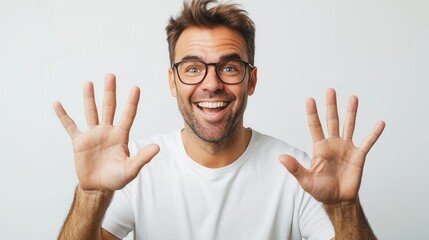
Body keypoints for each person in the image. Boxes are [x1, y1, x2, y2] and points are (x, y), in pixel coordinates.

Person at [54, 0, 385, 239]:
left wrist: (344, 208)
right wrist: (91, 195)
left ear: (250, 80)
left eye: (229, 67)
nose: (211, 84)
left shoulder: (299, 175)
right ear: (173, 81)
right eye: (193, 68)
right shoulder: (132, 169)